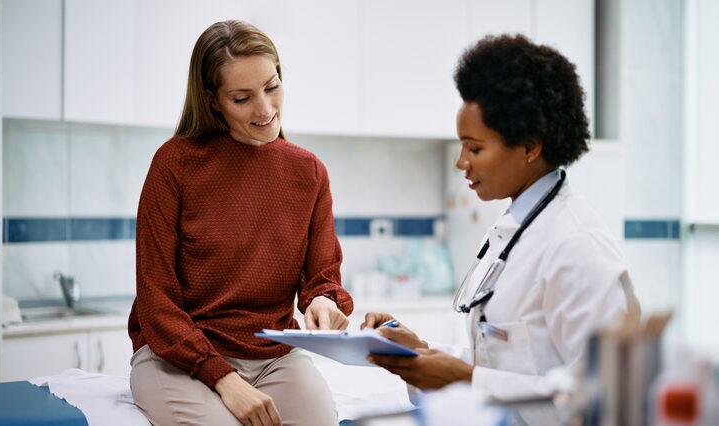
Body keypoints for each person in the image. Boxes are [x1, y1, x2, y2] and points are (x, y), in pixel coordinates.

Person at [363, 34, 640, 424]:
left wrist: (466, 379)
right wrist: (420, 353)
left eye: (474, 149)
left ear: (530, 146)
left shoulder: (577, 247)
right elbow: (502, 364)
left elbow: (610, 399)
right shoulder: (512, 231)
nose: (461, 163)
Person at [127, 20, 353, 426]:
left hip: (273, 356)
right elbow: (155, 302)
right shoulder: (174, 165)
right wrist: (224, 379)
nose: (265, 110)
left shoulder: (309, 172)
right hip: (177, 356)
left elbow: (322, 277)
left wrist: (323, 302)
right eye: (242, 98)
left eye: (272, 87)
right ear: (213, 100)